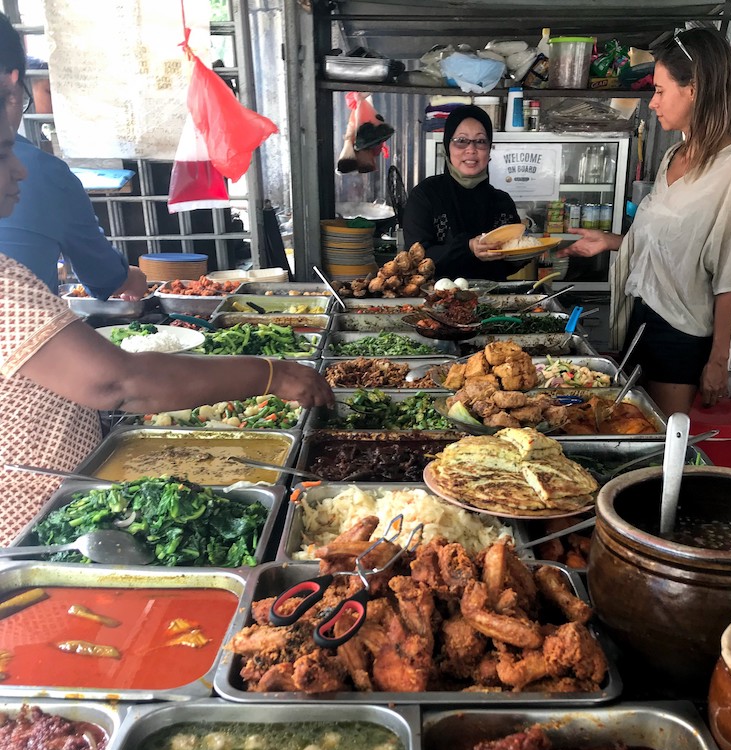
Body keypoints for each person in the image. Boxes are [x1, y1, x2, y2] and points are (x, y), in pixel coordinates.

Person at [0, 79, 332, 545]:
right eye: (4, 153)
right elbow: (118, 383)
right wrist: (271, 374)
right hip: (30, 517)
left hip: (67, 501)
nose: (20, 170)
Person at [568, 27, 731, 415]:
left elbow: (729, 273)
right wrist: (610, 241)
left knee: (658, 440)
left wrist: (718, 360)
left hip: (681, 333)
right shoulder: (674, 156)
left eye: (659, 90)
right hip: (641, 317)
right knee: (625, 424)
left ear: (694, 90)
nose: (653, 102)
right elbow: (664, 242)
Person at [0, 15, 147, 300]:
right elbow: (105, 279)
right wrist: (131, 277)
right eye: (4, 153)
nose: (21, 170)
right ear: (11, 88)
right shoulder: (44, 172)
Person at [403, 105, 521, 281]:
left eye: (480, 141)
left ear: (489, 149)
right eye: (461, 140)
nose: (471, 149)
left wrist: (526, 253)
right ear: (447, 147)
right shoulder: (425, 195)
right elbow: (415, 258)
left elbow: (511, 262)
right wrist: (468, 247)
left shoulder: (502, 202)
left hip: (492, 297)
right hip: (435, 296)